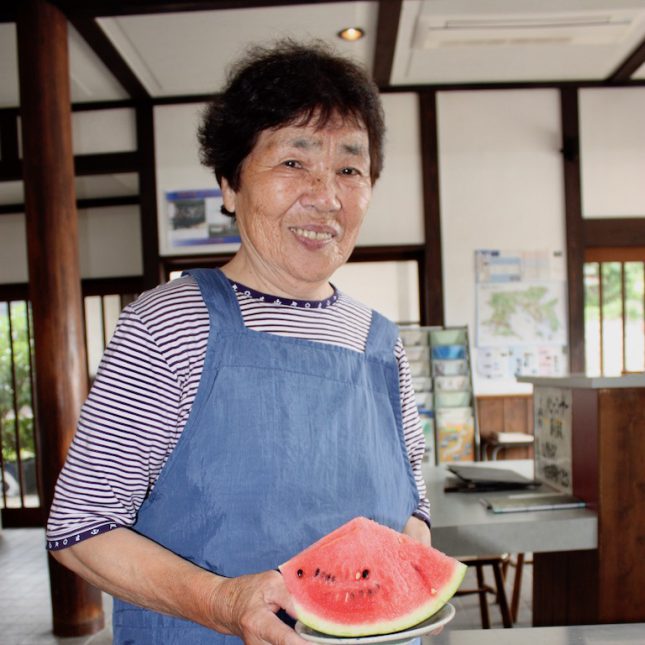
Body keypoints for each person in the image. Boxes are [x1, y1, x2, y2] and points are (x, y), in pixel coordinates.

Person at [47, 39, 432, 644]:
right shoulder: (169, 323)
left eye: (350, 169)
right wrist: (224, 601)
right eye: (293, 162)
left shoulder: (381, 343)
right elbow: (81, 527)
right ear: (229, 185)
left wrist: (397, 589)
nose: (326, 196)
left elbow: (413, 508)